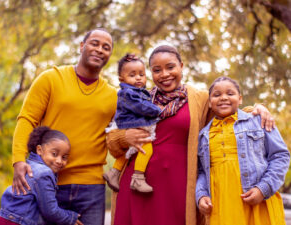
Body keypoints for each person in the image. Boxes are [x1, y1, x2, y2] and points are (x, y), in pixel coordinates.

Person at [106, 45, 275, 225]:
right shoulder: (139, 99)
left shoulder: (200, 99)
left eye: (170, 67)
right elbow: (112, 142)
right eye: (157, 70)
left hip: (179, 188)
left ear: (181, 66)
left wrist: (255, 110)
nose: (164, 74)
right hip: (137, 186)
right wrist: (126, 137)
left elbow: (228, 113)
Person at [11, 28, 117, 225]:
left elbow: (122, 136)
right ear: (81, 46)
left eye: (106, 47)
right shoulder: (51, 78)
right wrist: (18, 160)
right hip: (47, 180)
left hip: (91, 187)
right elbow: (27, 119)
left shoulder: (113, 96)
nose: (100, 49)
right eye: (94, 43)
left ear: (109, 55)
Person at [196, 76, 290, 225]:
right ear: (209, 102)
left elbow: (280, 156)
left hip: (258, 203)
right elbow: (201, 171)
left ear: (240, 99)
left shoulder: (259, 121)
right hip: (222, 207)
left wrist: (263, 188)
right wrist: (201, 195)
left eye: (230, 93)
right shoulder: (203, 135)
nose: (223, 98)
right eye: (217, 95)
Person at [0, 126, 83, 225]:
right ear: (39, 150)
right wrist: (70, 218)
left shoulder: (29, 165)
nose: (59, 161)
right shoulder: (44, 173)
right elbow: (50, 211)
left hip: (4, 219)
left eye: (64, 157)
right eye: (54, 154)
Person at [103, 53, 161, 193]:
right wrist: (157, 110)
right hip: (130, 124)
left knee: (130, 150)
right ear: (121, 79)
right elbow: (140, 107)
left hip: (133, 123)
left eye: (141, 74)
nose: (138, 78)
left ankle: (114, 172)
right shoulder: (128, 93)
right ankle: (138, 178)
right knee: (146, 147)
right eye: (132, 75)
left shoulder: (140, 92)